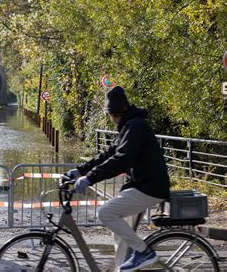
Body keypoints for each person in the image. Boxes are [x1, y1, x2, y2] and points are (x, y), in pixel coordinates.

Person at [64, 86, 170, 271]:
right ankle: (130, 264)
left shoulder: (135, 127)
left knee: (105, 213)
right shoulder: (129, 126)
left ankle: (144, 253)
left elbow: (122, 159)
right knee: (121, 236)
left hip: (150, 188)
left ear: (112, 112)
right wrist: (79, 171)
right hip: (141, 186)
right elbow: (109, 153)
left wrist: (90, 178)